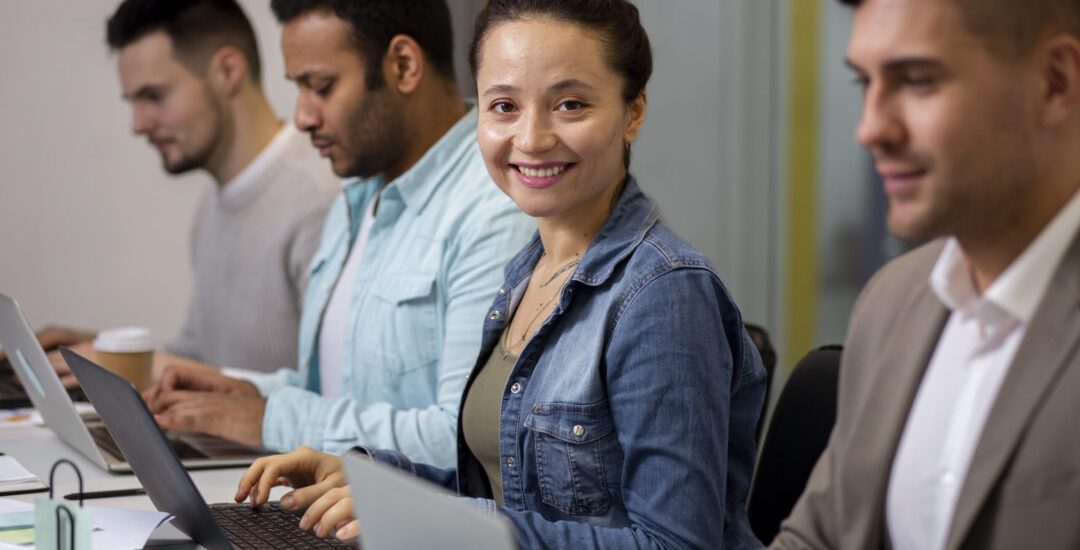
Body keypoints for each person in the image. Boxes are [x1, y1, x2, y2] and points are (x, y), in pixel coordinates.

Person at [234, 1, 767, 548]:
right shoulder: (528, 271)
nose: (531, 138)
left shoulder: (664, 293)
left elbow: (676, 543)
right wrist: (371, 479)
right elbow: (511, 493)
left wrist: (443, 523)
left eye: (570, 104)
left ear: (633, 112)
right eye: (504, 106)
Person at [143, 0, 533, 466]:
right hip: (331, 500)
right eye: (299, 88)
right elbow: (338, 393)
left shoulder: (493, 209)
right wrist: (245, 393)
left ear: (403, 66)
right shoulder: (356, 197)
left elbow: (463, 440)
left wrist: (268, 418)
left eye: (321, 87)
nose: (302, 117)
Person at [770, 0, 1080, 548]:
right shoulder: (892, 300)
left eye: (917, 81)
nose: (870, 128)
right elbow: (820, 535)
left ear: (1054, 82)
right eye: (864, 82)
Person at [2, 0, 340, 379]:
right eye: (134, 102)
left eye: (154, 97)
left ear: (228, 71)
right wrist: (108, 352)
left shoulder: (321, 202)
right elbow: (205, 358)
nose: (138, 125)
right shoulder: (212, 205)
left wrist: (143, 365)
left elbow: (329, 396)